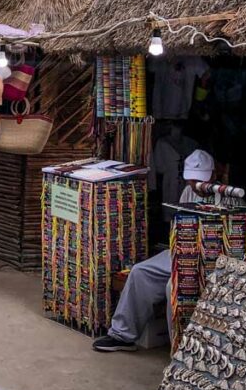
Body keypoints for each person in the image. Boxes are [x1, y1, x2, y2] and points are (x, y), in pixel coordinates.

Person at [91, 149, 217, 353]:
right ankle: (123, 335)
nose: (196, 185)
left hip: (211, 259)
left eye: (200, 180)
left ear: (213, 175)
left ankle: (179, 349)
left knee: (172, 286)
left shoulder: (229, 198)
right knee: (140, 272)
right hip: (183, 251)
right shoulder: (189, 191)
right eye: (192, 180)